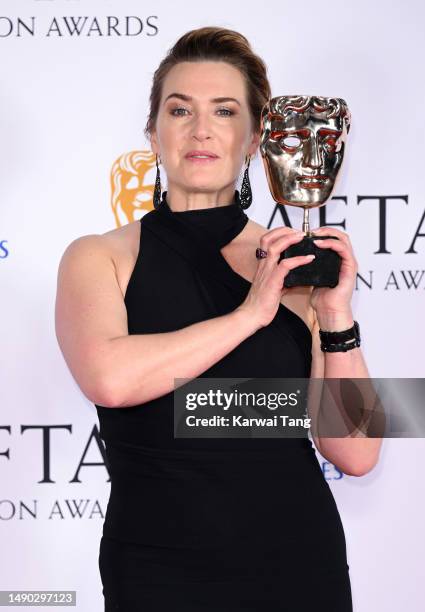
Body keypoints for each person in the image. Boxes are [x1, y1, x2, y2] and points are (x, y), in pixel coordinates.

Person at [55, 26, 382, 611]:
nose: (201, 129)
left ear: (256, 138)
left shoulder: (295, 265)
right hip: (158, 570)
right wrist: (252, 312)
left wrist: (334, 314)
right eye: (179, 110)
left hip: (299, 566)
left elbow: (356, 453)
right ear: (152, 134)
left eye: (225, 111)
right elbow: (109, 378)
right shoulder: (99, 256)